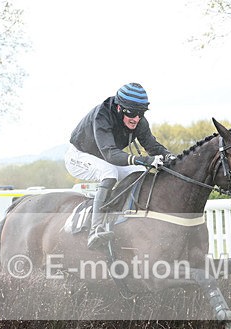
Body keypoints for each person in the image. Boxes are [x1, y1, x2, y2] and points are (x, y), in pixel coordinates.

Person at [66, 82, 174, 249]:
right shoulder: (102, 116)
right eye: (132, 113)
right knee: (109, 172)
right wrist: (146, 160)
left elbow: (152, 146)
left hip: (105, 157)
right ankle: (96, 229)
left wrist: (171, 157)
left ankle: (127, 218)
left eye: (141, 113)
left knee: (140, 171)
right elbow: (111, 154)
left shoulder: (138, 121)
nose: (136, 119)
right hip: (79, 156)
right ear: (119, 107)